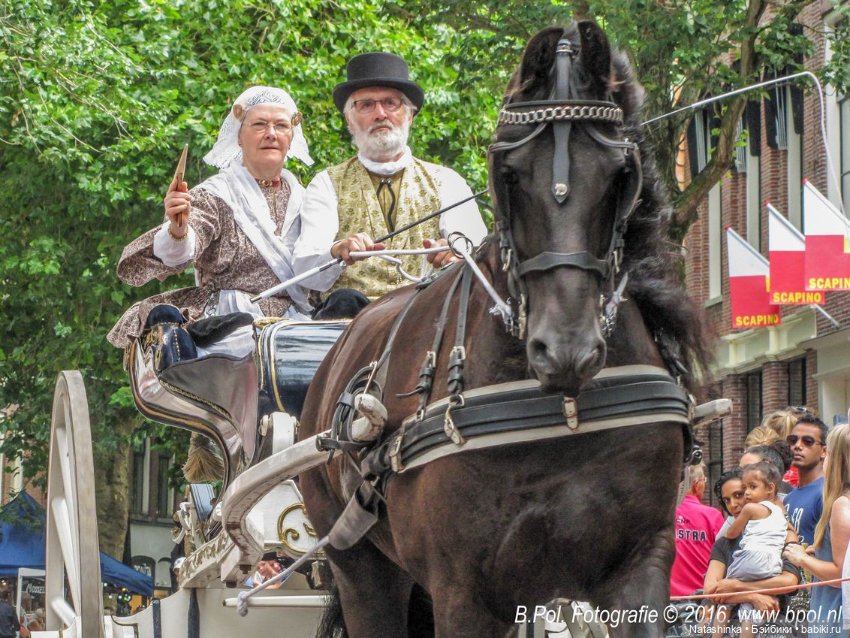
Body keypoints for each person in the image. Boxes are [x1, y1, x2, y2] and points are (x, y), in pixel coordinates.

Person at [107, 86, 315, 357]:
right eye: (260, 125)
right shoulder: (216, 195)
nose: (271, 134)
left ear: (291, 135)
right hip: (231, 317)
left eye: (281, 126)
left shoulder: (309, 200)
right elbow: (185, 246)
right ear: (239, 137)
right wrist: (178, 230)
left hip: (300, 319)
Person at [293, 52, 488, 301]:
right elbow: (304, 269)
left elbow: (480, 259)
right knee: (344, 300)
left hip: (425, 315)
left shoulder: (447, 181)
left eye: (390, 103)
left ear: (409, 115)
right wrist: (336, 250)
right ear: (349, 121)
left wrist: (455, 255)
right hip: (349, 324)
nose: (380, 114)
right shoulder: (326, 183)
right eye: (366, 105)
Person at [702, 470, 800, 628]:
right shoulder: (724, 542)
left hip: (776, 623)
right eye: (727, 500)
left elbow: (789, 581)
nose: (733, 504)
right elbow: (711, 590)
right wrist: (752, 596)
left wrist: (736, 587)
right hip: (730, 626)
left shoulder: (783, 534)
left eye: (739, 495)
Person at [784, 422, 850, 636]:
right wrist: (820, 551)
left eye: (828, 453)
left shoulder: (841, 503)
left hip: (834, 614)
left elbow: (841, 573)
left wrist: (801, 558)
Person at [670, 463, 726, 596]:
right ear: (697, 484)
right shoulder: (712, 516)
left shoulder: (661, 515)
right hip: (702, 599)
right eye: (704, 480)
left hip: (665, 600)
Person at [783, 414, 827, 545]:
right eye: (793, 440)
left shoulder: (826, 493)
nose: (797, 446)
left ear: (824, 451)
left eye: (808, 441)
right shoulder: (788, 498)